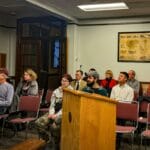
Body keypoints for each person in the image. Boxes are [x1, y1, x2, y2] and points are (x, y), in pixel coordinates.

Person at [35, 74, 73, 149]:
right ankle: (46, 139)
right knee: (38, 122)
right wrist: (51, 113)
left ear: (69, 82)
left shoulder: (72, 92)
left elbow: (66, 107)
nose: (63, 82)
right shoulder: (56, 91)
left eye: (66, 81)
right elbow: (52, 104)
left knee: (54, 127)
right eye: (62, 80)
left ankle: (56, 144)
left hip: (63, 113)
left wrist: (56, 115)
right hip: (54, 112)